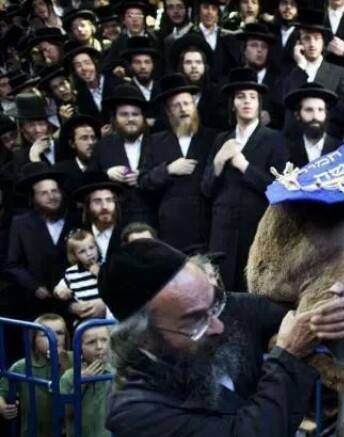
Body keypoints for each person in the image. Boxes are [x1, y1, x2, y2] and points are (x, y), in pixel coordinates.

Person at [101, 238, 344, 437]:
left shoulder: (217, 311)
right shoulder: (133, 411)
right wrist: (288, 356)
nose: (218, 326)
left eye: (215, 303)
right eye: (195, 321)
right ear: (142, 339)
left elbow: (306, 317)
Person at [202, 67, 289, 291]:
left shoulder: (274, 139)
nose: (247, 101)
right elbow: (206, 189)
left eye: (252, 97)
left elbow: (279, 188)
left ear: (259, 103)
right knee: (221, 291)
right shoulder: (221, 139)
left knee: (252, 291)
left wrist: (245, 166)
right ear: (233, 104)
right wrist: (219, 162)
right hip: (222, 230)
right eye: (241, 97)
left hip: (256, 227)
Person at [0, 313, 72, 437]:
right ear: (33, 339)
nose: (54, 338)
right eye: (45, 334)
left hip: (68, 436)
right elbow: (2, 389)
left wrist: (63, 363)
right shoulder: (22, 366)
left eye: (59, 333)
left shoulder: (74, 359)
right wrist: (2, 407)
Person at [141, 74, 216, 250]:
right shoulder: (155, 141)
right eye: (176, 105)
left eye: (187, 103)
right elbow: (143, 181)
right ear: (168, 111)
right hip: (170, 229)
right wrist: (168, 170)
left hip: (206, 225)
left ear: (194, 106)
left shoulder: (213, 138)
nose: (183, 109)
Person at [60, 324, 124, 437]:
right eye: (91, 342)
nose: (99, 346)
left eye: (104, 340)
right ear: (79, 347)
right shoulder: (69, 377)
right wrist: (81, 382)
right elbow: (65, 414)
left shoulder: (117, 372)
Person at [6, 164, 77, 317]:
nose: (52, 197)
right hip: (35, 303)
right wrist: (34, 287)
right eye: (44, 193)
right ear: (33, 198)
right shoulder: (21, 224)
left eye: (55, 191)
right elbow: (13, 264)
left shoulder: (75, 219)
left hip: (73, 300)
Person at [87, 84, 158, 227]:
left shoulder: (158, 142)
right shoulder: (103, 146)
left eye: (135, 114)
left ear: (143, 117)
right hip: (117, 222)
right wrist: (107, 174)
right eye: (124, 114)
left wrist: (143, 177)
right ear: (114, 118)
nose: (130, 119)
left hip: (154, 218)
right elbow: (88, 180)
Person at [282, 8, 344, 138]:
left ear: (323, 42)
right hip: (296, 140)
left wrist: (317, 115)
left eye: (317, 38)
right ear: (299, 43)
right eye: (307, 38)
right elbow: (287, 107)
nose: (312, 44)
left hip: (329, 137)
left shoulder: (338, 72)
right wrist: (301, 67)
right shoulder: (291, 73)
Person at [167, 32, 227, 130]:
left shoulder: (217, 96)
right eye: (188, 62)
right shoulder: (171, 96)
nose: (194, 66)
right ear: (181, 67)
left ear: (205, 66)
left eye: (198, 62)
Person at [53, 228, 107, 320]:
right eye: (82, 251)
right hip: (84, 319)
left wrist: (101, 274)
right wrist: (59, 291)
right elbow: (58, 289)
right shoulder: (71, 272)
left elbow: (116, 287)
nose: (89, 253)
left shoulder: (107, 267)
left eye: (91, 247)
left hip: (108, 318)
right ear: (74, 256)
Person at [284, 82, 341, 167]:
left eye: (320, 110)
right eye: (309, 110)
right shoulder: (285, 150)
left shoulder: (341, 150)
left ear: (326, 114)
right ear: (297, 115)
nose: (315, 116)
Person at [238, 22, 283, 128]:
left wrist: (272, 117)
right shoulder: (234, 79)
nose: (260, 50)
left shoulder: (279, 81)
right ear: (244, 50)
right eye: (254, 45)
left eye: (264, 46)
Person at [62, 41, 118, 125]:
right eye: (78, 66)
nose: (84, 68)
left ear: (95, 64)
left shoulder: (117, 85)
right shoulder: (80, 98)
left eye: (87, 63)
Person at [72, 173, 124, 263]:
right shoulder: (78, 235)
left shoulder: (126, 234)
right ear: (87, 206)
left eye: (109, 200)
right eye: (97, 201)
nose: (104, 206)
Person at [54, 114, 101, 195]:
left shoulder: (104, 166)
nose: (91, 142)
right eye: (84, 138)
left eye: (93, 138)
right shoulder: (60, 171)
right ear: (72, 143)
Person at [271, 0, 300, 75]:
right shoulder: (269, 33)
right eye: (284, 3)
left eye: (292, 4)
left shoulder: (302, 37)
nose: (288, 7)